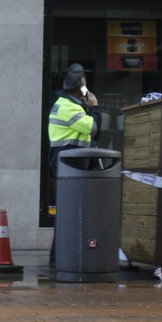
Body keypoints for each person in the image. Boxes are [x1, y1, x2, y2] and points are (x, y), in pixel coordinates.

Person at [46, 64, 102, 267]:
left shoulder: (69, 105)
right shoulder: (68, 107)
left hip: (70, 165)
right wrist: (94, 107)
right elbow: (94, 128)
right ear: (82, 88)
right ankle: (59, 258)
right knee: (68, 213)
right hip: (70, 165)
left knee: (68, 212)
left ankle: (61, 257)